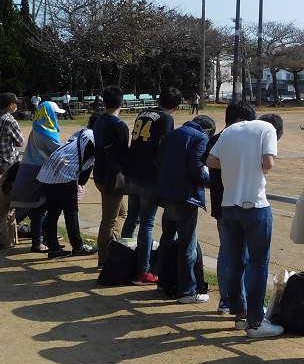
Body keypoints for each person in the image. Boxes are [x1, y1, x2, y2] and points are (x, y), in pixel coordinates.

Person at [207, 100, 283, 338]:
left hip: (228, 205)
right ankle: (256, 322)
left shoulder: (228, 131)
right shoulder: (267, 128)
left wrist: (234, 166)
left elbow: (210, 161)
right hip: (255, 205)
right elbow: (268, 163)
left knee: (235, 261)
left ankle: (239, 314)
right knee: (258, 264)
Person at [154, 114, 215, 302]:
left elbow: (158, 161)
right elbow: (196, 166)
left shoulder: (172, 135)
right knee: (187, 245)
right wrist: (213, 182)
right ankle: (187, 290)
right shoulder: (201, 138)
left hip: (166, 193)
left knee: (167, 239)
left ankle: (163, 281)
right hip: (185, 196)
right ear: (207, 130)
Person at [124, 86, 181, 285]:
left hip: (133, 172)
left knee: (132, 217)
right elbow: (163, 149)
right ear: (175, 107)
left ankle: (123, 259)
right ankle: (142, 270)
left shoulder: (143, 112)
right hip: (149, 175)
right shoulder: (167, 119)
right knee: (147, 223)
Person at [202, 101, 251, 315]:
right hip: (239, 203)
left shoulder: (214, 139)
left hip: (221, 204)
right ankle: (238, 299)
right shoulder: (240, 140)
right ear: (240, 120)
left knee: (226, 251)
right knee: (242, 254)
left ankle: (225, 299)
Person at [37, 119, 98, 259]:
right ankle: (78, 246)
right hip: (63, 175)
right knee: (71, 213)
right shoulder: (94, 138)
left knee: (53, 211)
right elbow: (84, 174)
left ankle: (53, 248)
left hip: (47, 172)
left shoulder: (82, 132)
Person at [10, 101, 65, 253]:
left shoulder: (37, 128)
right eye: (55, 115)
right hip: (39, 172)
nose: (57, 118)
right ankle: (39, 242)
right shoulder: (45, 132)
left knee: (39, 209)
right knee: (41, 209)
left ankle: (42, 240)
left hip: (31, 169)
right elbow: (59, 151)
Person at [91, 85, 130, 267]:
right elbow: (124, 156)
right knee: (109, 218)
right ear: (121, 102)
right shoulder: (119, 125)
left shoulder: (99, 120)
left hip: (99, 173)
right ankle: (105, 257)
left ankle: (112, 246)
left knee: (120, 212)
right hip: (112, 178)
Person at [0, 92, 25, 176]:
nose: (16, 106)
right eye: (15, 104)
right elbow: (21, 142)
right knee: (8, 186)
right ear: (11, 105)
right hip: (8, 160)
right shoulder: (10, 121)